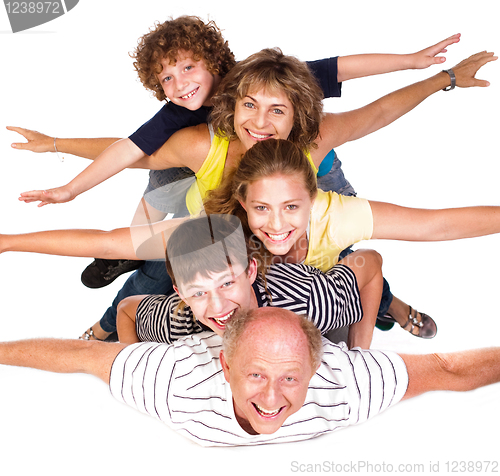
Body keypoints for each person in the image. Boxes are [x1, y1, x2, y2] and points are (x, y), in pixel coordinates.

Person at [6, 47, 496, 341]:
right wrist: (52, 150)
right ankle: (106, 326)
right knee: (152, 274)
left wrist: (440, 77)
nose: (260, 122)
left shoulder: (324, 197)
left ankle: (388, 306)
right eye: (249, 106)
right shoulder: (210, 186)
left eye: (276, 111)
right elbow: (129, 159)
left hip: (306, 254)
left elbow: (432, 216)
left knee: (348, 269)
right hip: (219, 250)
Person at [1, 306, 499, 447]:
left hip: (305, 300)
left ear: (316, 368)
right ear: (225, 366)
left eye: (290, 378)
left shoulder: (345, 383)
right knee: (133, 309)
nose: (271, 398)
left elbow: (447, 368)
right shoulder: (175, 383)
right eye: (257, 375)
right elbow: (80, 355)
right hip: (179, 321)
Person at [201, 138, 500, 336]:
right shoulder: (223, 231)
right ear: (244, 203)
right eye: (262, 208)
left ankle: (391, 305)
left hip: (332, 279)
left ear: (312, 198)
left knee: (361, 275)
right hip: (289, 299)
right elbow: (159, 241)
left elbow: (437, 225)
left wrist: (362, 356)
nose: (277, 224)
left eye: (291, 206)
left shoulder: (335, 216)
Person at [115, 214, 381, 349]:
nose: (217, 306)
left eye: (226, 283)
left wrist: (361, 355)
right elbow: (127, 309)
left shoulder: (309, 304)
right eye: (198, 293)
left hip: (315, 302)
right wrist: (137, 364)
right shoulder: (180, 322)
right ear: (180, 295)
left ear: (250, 271)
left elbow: (370, 261)